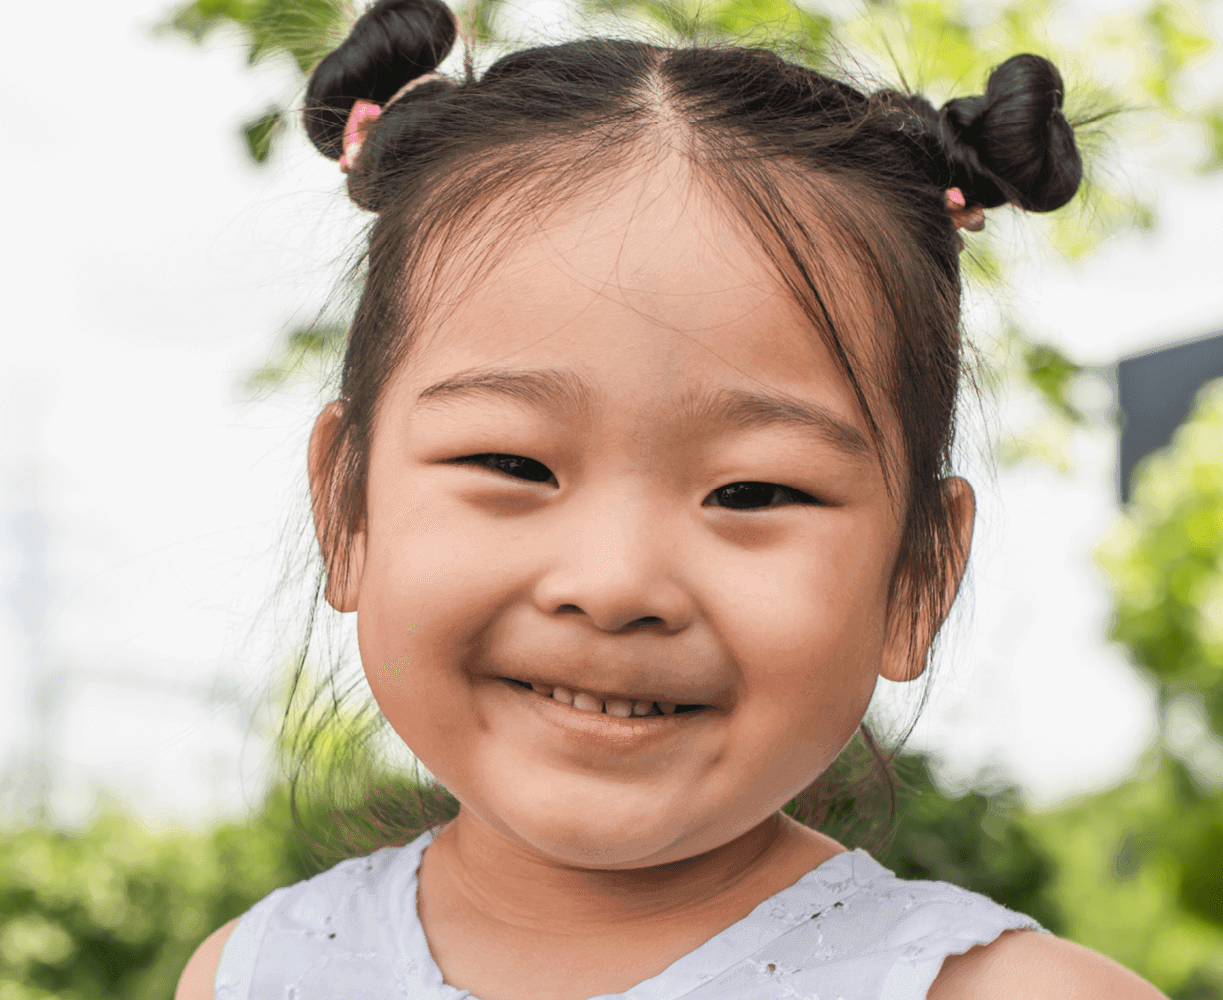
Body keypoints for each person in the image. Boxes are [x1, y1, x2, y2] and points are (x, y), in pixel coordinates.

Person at [177, 1, 1165, 996]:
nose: (615, 583)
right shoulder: (254, 973)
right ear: (348, 509)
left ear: (917, 576)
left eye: (753, 490)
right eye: (514, 466)